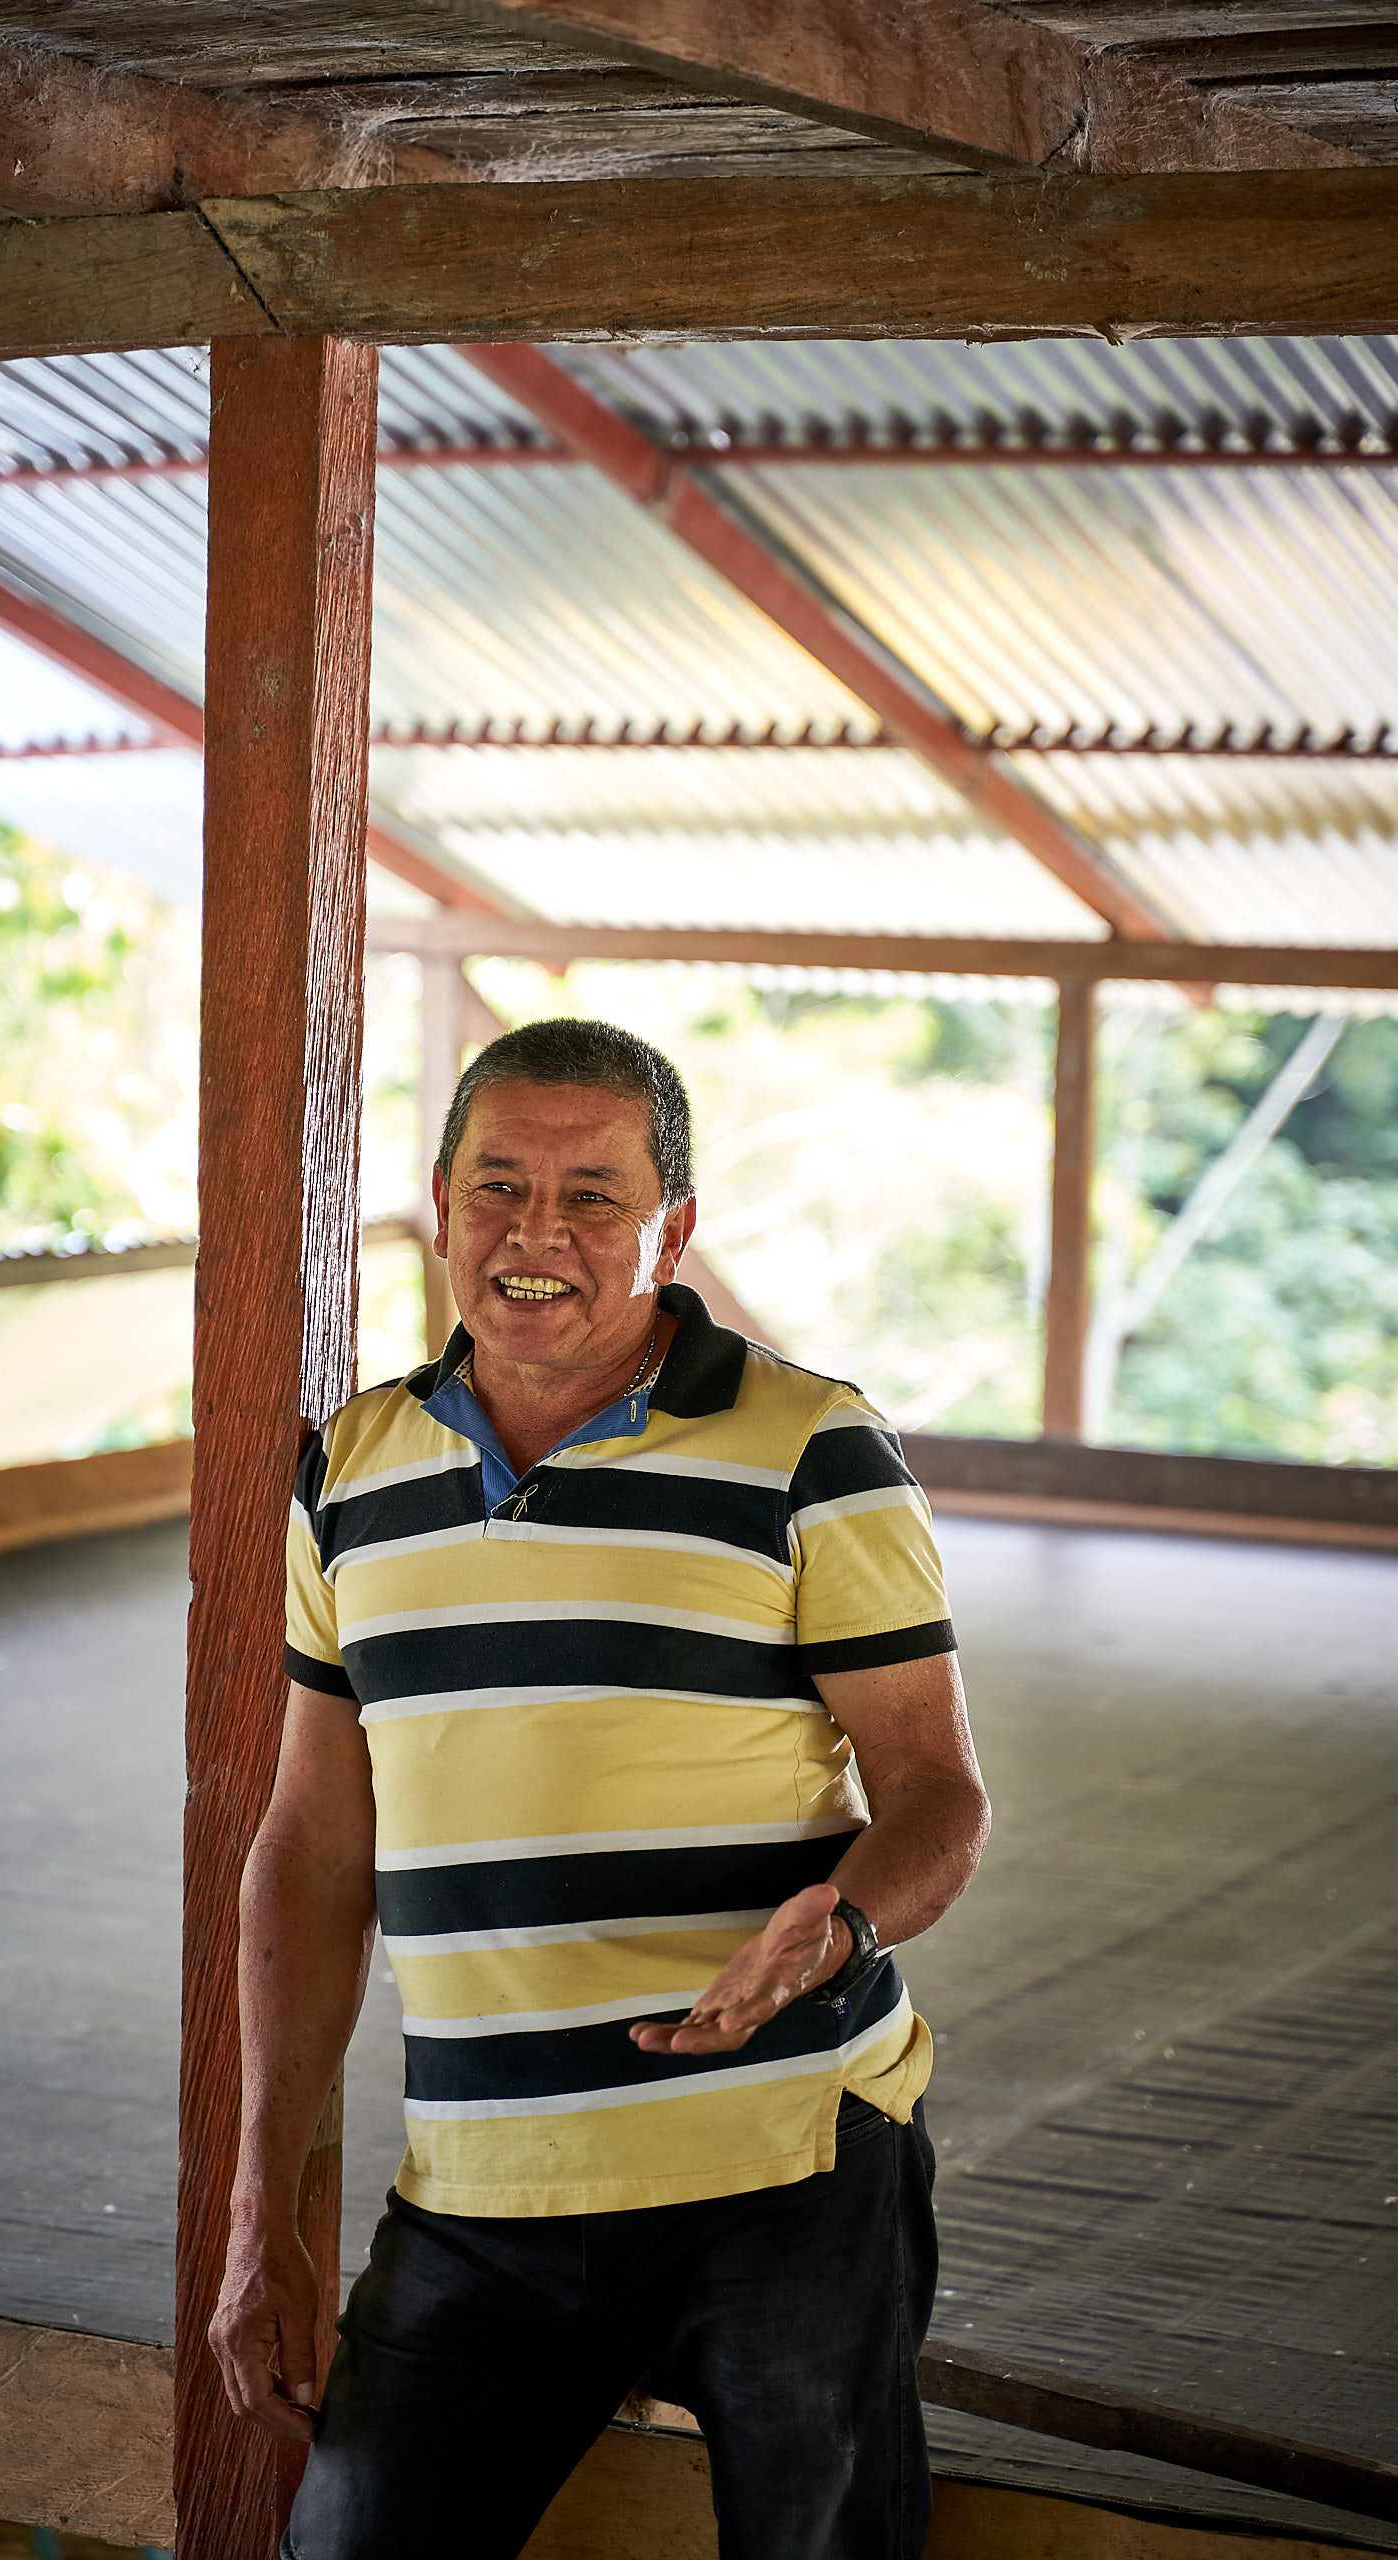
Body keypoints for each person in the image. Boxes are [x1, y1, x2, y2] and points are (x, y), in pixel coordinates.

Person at [209, 1018, 990, 2560]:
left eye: (593, 1197)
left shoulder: (813, 1450)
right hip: (481, 2187)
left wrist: (831, 1929)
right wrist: (261, 2221)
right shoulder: (352, 1475)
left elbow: (939, 1797)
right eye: (498, 1187)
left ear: (671, 1232)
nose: (535, 1234)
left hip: (783, 2156)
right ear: (440, 1204)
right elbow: (308, 1851)